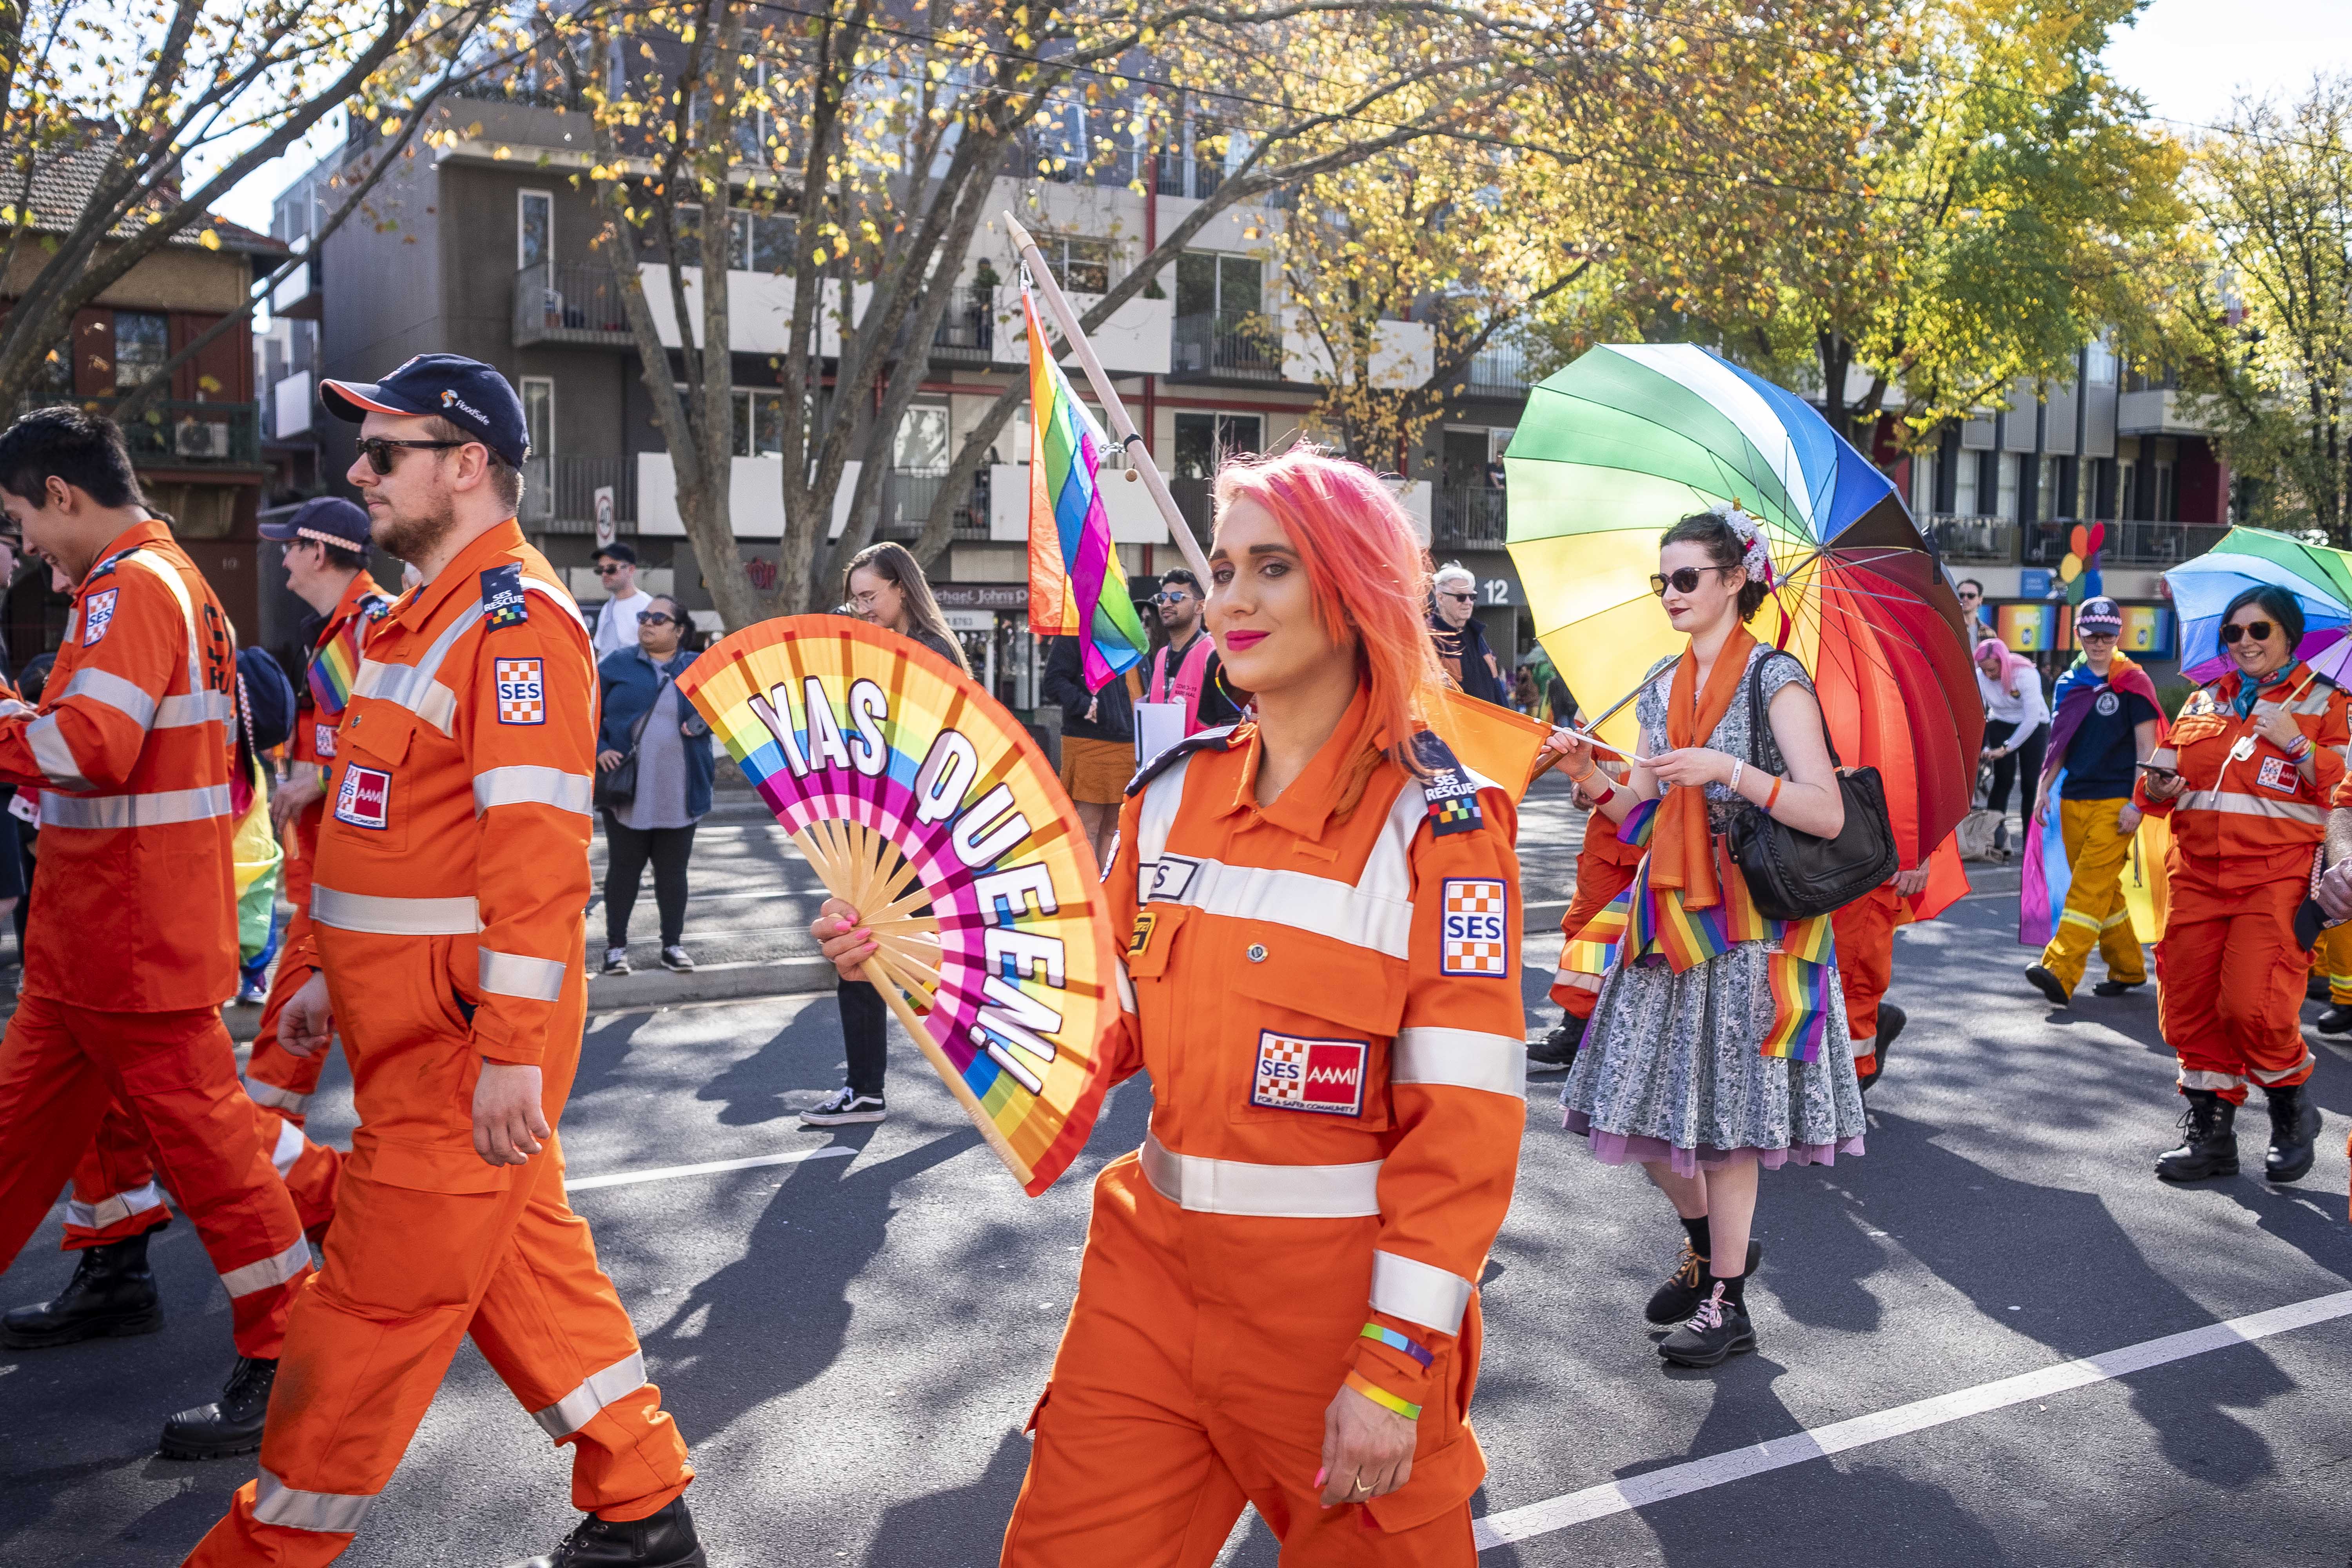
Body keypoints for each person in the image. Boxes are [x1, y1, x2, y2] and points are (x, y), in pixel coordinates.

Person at [818, 448, 1525, 1560]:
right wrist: (916, 958)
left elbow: (1468, 1132)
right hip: (1149, 1278)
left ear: (1350, 591)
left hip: (1333, 1305)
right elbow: (1101, 1025)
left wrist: (1394, 1371)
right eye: (1228, 566)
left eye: (1273, 569)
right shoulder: (1174, 792)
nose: (1233, 599)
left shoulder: (1441, 829)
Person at [185, 354, 701, 1567]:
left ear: (466, 466)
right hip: (423, 1037)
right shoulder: (429, 616)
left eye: (385, 452)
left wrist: (511, 1054)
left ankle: (262, 1554)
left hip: (460, 1056)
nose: (357, 473)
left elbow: (536, 861)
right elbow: (391, 832)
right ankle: (641, 1505)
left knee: (360, 1317)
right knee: (529, 1272)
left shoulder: (513, 624)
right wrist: (326, 976)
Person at [0, 406, 314, 1457]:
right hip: (105, 938)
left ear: (60, 495)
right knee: (32, 1141)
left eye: (20, 519)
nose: (28, 546)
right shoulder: (157, 582)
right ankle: (134, 1278)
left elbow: (89, 744)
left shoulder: (132, 588)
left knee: (218, 1161)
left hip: (129, 939)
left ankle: (291, 1349)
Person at [1545, 506, 1863, 1370]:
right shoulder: (1662, 682)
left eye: (1686, 577)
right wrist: (1588, 773)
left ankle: (1729, 1299)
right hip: (1670, 921)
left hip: (1753, 925)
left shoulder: (1777, 679)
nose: (1671, 593)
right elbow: (1642, 816)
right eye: (1664, 579)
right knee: (1631, 1106)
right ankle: (1708, 1247)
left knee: (1727, 1127)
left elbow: (1825, 810)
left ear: (1735, 580)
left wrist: (1728, 770)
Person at [2134, 586, 2345, 1185]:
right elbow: (2155, 791)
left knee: (2253, 1006)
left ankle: (2292, 1108)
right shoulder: (2202, 702)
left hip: (2274, 880)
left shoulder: (2328, 702)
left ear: (2289, 637)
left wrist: (2296, 742)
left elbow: (2343, 794)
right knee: (2190, 1010)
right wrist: (2158, 787)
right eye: (2234, 633)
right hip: (2197, 878)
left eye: (2260, 631)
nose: (2245, 642)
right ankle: (2212, 1134)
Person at [803, 540, 970, 1129]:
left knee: (877, 951)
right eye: (856, 601)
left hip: (910, 833)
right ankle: (868, 1088)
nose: (864, 609)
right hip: (886, 830)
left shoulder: (928, 653)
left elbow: (913, 745)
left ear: (903, 587)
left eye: (871, 596)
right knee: (869, 951)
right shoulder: (898, 647)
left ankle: (876, 1088)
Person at [2024, 597, 2164, 1006]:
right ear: (2079, 635)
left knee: (2086, 889)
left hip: (2116, 802)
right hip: (2073, 800)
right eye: (2092, 636)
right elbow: (2059, 744)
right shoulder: (2069, 684)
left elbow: (2147, 747)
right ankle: (2128, 967)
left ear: (2118, 634)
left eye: (2106, 635)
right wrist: (2042, 788)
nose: (2099, 643)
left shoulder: (2135, 681)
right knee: (2103, 890)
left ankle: (2060, 969)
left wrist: (2138, 803)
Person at [596, 592, 711, 976]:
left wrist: (699, 723)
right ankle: (615, 949)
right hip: (627, 791)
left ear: (679, 631)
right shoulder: (616, 663)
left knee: (672, 874)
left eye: (658, 619)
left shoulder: (699, 667)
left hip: (681, 790)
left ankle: (672, 946)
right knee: (624, 871)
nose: (647, 622)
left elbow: (727, 709)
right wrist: (599, 749)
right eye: (645, 616)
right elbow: (583, 708)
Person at [1534, 762, 1646, 1072]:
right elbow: (1586, 758)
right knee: (1588, 930)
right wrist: (1581, 783)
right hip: (1610, 836)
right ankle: (1577, 1027)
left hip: (1672, 828)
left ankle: (1628, 1034)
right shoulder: (1604, 713)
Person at [1040, 633, 1136, 869]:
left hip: (1124, 739)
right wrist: (1084, 704)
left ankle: (1106, 897)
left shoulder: (1123, 629)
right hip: (1089, 739)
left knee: (1113, 829)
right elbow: (1053, 681)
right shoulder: (1074, 632)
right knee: (1088, 827)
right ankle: (1090, 897)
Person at [1146, 568, 1244, 735]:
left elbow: (1234, 727)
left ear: (1200, 607)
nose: (1167, 604)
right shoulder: (1162, 655)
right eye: (1163, 598)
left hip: (1201, 760)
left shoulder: (1214, 656)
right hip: (1166, 759)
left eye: (1177, 597)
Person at [1976, 637, 2050, 857]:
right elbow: (1980, 710)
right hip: (2001, 721)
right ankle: (1993, 839)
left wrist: (2007, 748)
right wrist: (1983, 746)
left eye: (1992, 669)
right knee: (2002, 781)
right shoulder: (1982, 676)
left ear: (2003, 663)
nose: (1989, 675)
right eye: (1984, 670)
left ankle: (2031, 843)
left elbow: (2032, 718)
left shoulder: (2026, 674)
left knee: (2030, 784)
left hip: (2034, 725)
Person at [1428, 563, 1509, 706]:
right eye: (1461, 597)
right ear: (1440, 598)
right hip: (1455, 726)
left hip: (1491, 724)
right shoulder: (1428, 636)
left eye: (1472, 597)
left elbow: (1496, 687)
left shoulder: (1476, 633)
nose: (1468, 603)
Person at [588, 541, 654, 661]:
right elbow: (601, 650)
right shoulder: (607, 608)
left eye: (611, 569)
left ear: (631, 570)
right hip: (606, 677)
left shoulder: (648, 607)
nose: (605, 574)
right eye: (600, 570)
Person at [1955, 578, 1991, 642]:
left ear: (1980, 600)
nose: (1965, 599)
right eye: (1961, 595)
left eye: (1971, 596)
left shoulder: (1989, 632)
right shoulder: (1951, 629)